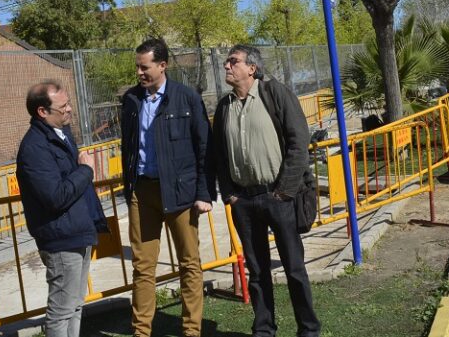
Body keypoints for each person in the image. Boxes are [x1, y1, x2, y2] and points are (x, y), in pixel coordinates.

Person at [212, 44, 320, 337]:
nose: (227, 67)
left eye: (233, 61)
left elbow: (299, 143)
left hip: (278, 197)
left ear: (252, 67)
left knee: (294, 269)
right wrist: (230, 194)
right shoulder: (224, 107)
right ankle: (264, 329)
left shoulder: (276, 94)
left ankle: (308, 330)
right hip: (244, 202)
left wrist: (285, 191)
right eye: (226, 62)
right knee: (257, 272)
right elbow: (219, 155)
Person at [120, 38, 213, 337]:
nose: (139, 73)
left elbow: (204, 148)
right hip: (143, 194)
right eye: (137, 67)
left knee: (189, 264)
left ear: (163, 65)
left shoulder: (186, 98)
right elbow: (128, 148)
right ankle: (141, 331)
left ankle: (191, 331)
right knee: (143, 267)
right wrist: (129, 188)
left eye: (144, 67)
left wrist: (203, 193)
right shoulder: (131, 100)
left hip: (181, 194)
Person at [16, 81, 108, 337]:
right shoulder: (34, 148)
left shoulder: (62, 133)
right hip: (60, 238)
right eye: (63, 106)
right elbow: (55, 196)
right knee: (61, 310)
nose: (69, 110)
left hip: (78, 229)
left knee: (76, 305)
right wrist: (86, 171)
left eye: (68, 103)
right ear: (42, 112)